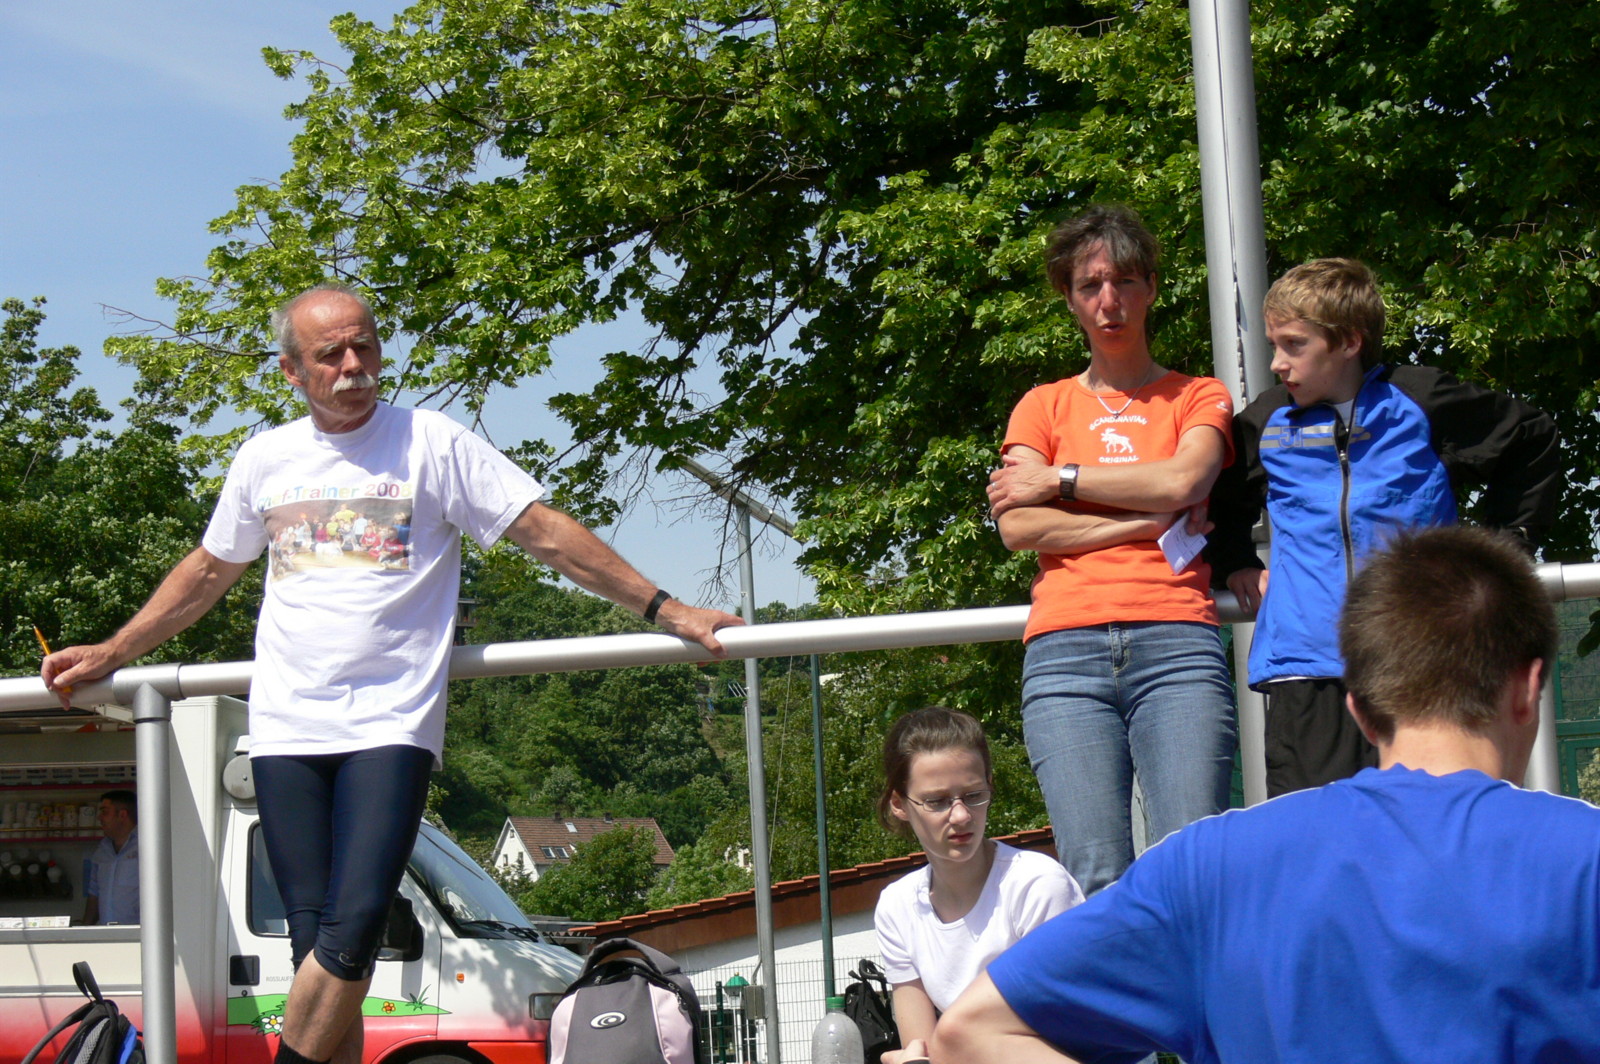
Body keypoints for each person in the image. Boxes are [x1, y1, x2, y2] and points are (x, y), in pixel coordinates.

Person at [41, 284, 743, 1064]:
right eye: (330, 354)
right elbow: (208, 572)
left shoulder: (431, 443)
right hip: (287, 726)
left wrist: (666, 609)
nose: (353, 365)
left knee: (354, 932)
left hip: (388, 721)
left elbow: (544, 533)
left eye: (365, 345)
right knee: (313, 942)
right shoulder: (265, 459)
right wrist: (112, 653)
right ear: (291, 371)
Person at [933, 525, 1600, 1063]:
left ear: (1360, 709)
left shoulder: (1209, 867)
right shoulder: (1584, 858)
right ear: (1529, 688)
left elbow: (969, 1034)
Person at [1208, 258, 1560, 797]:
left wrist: (1502, 553)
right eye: (1274, 345)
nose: (1277, 363)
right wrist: (1234, 560)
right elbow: (1214, 495)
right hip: (1307, 669)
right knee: (1321, 839)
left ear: (1349, 341)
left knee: (1433, 827)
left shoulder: (1421, 399)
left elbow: (1531, 440)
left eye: (1294, 345)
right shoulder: (1267, 419)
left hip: (1424, 661)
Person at [985, 205, 1237, 896]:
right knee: (1094, 876)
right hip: (1063, 651)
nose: (1109, 300)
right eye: (1090, 285)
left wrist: (1061, 480)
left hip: (1177, 641)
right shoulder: (1042, 404)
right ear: (1068, 298)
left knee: (1192, 866)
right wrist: (1144, 522)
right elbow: (1018, 528)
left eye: (1124, 280)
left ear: (1151, 287)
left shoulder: (1198, 395)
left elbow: (1184, 482)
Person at [873, 707, 1083, 1064]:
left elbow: (1065, 1036)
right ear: (899, 804)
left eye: (973, 795)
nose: (961, 815)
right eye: (937, 801)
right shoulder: (896, 907)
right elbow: (921, 1049)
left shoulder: (1037, 884)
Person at [82, 789, 139, 926]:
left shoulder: (147, 846)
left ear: (122, 815)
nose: (99, 817)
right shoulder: (102, 850)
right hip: (107, 932)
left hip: (139, 933)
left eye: (105, 812)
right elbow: (94, 893)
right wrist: (85, 929)